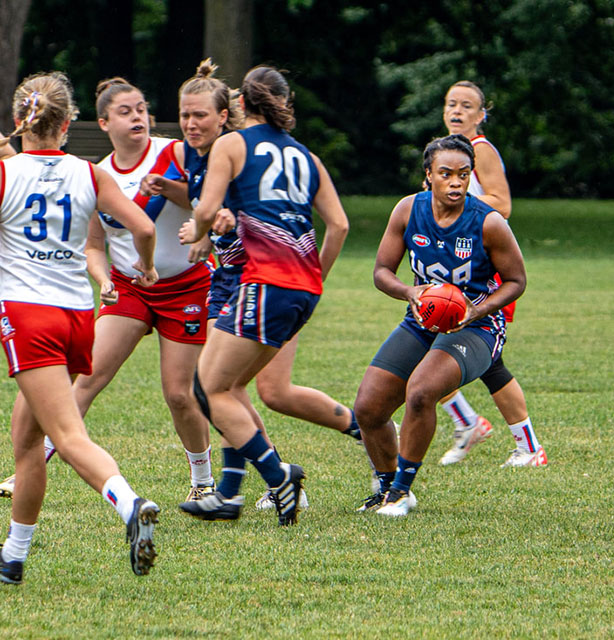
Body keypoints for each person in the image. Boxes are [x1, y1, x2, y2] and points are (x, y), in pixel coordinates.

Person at [148, 59, 361, 512]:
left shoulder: (232, 146)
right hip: (302, 287)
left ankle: (278, 476)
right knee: (233, 386)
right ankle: (228, 492)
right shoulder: (308, 156)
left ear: (239, 105)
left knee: (208, 389)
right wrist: (315, 276)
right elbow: (338, 225)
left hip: (263, 281)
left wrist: (201, 229)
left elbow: (206, 208)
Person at [0, 77, 216, 502]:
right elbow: (95, 245)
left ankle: (203, 481)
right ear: (100, 123)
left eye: (141, 108)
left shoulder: (169, 151)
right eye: (125, 111)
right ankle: (30, 462)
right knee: (87, 377)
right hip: (129, 289)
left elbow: (211, 198)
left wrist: (175, 198)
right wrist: (103, 280)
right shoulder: (98, 173)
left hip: (185, 286)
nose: (137, 116)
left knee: (179, 394)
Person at [0, 72, 160, 584]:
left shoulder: (6, 175)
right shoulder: (90, 175)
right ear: (68, 124)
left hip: (29, 317)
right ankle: (13, 556)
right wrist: (147, 267)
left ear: (20, 120)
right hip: (77, 318)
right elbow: (144, 227)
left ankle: (130, 504)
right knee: (26, 441)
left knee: (67, 437)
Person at [355, 133, 526, 517]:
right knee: (368, 408)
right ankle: (386, 488)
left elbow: (517, 281)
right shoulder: (407, 210)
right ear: (427, 176)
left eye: (463, 175)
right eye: (446, 173)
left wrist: (477, 310)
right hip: (423, 320)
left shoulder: (488, 222)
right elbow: (382, 271)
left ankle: (401, 491)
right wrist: (409, 292)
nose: (455, 182)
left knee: (421, 391)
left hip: (477, 327)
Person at [434, 81, 546, 468]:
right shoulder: (447, 153)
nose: (457, 111)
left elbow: (503, 204)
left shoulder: (480, 151)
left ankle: (526, 447)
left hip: (486, 271)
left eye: (467, 106)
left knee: (486, 361)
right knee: (432, 344)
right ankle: (470, 424)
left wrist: (454, 196)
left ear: (481, 116)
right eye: (451, 104)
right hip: (455, 267)